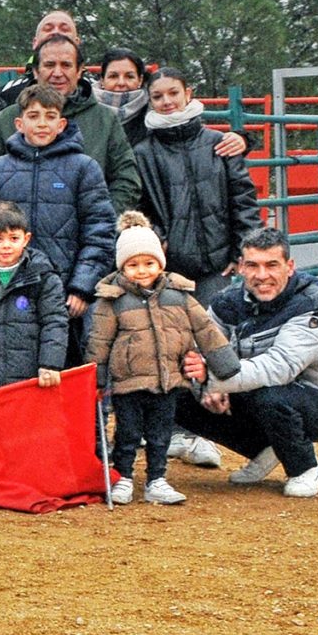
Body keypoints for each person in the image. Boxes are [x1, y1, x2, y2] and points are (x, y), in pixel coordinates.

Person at [174, 227, 318, 499]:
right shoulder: (227, 302)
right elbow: (202, 348)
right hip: (249, 387)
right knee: (177, 393)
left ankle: (304, 468)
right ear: (241, 268)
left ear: (289, 266)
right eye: (252, 265)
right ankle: (262, 451)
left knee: (270, 395)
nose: (262, 275)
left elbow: (280, 366)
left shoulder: (315, 302)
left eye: (272, 265)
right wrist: (204, 384)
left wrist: (215, 379)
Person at [86, 212, 226, 506]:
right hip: (128, 383)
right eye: (133, 265)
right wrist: (96, 378)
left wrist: (224, 362)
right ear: (122, 266)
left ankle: (156, 479)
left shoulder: (179, 293)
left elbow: (205, 328)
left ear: (160, 262)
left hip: (168, 379)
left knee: (160, 434)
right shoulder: (112, 299)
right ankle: (122, 477)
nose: (141, 271)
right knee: (128, 433)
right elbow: (99, 341)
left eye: (148, 263)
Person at [0, 83, 119, 353]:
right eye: (34, 116)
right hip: (8, 293)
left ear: (62, 124)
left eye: (50, 116)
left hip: (65, 296)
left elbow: (100, 230)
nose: (42, 123)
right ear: (19, 123)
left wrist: (82, 287)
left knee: (60, 373)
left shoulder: (84, 168)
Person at [133, 69, 263, 305]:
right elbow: (139, 206)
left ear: (188, 93)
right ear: (150, 101)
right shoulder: (143, 153)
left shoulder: (220, 143)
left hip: (216, 265)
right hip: (166, 267)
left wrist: (243, 251)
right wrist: (157, 238)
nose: (167, 101)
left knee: (214, 332)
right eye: (158, 96)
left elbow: (243, 201)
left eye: (174, 93)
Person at [0, 34, 145, 215]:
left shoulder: (105, 119)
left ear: (79, 70)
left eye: (66, 65)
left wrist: (101, 220)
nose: (58, 73)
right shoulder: (6, 120)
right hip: (17, 237)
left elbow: (126, 179)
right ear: (36, 71)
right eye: (50, 65)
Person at [0, 200, 70, 406]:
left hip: (28, 375)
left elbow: (55, 321)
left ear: (26, 239)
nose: (6, 246)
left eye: (14, 238)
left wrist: (50, 363)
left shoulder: (43, 275)